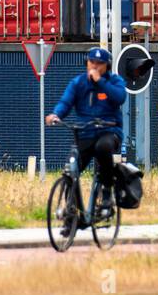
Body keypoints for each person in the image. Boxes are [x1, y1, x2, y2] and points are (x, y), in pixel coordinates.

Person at [46, 47, 127, 211]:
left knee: (102, 148)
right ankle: (71, 210)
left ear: (107, 66)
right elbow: (66, 102)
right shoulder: (78, 83)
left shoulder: (114, 81)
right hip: (87, 132)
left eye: (100, 63)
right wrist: (56, 115)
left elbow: (120, 97)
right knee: (73, 166)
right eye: (92, 62)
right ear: (86, 63)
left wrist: (100, 82)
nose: (95, 66)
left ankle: (106, 192)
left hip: (109, 131)